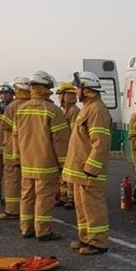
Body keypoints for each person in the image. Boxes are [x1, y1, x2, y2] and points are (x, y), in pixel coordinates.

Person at [14, 71, 69, 241]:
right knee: (44, 198)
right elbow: (60, 141)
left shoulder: (20, 109)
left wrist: (17, 158)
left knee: (27, 196)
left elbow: (15, 136)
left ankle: (27, 228)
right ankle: (43, 230)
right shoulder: (52, 110)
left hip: (26, 162)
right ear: (45, 88)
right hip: (46, 163)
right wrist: (63, 164)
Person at [62, 71, 112, 255]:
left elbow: (100, 142)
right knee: (82, 207)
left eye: (77, 88)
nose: (75, 91)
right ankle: (85, 238)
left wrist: (92, 168)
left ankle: (98, 243)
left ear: (86, 89)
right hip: (80, 170)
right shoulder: (88, 108)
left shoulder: (97, 109)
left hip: (89, 171)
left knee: (93, 207)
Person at [0, 77, 31, 220]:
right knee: (27, 181)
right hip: (29, 148)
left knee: (12, 179)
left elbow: (4, 125)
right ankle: (28, 210)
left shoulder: (13, 106)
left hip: (12, 147)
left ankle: (12, 210)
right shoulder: (32, 104)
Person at [55, 80, 80, 208]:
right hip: (63, 147)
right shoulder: (64, 110)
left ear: (66, 95)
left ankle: (72, 199)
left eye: (60, 94)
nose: (58, 96)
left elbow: (74, 132)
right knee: (63, 173)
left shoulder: (74, 111)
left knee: (71, 174)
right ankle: (64, 197)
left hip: (70, 147)